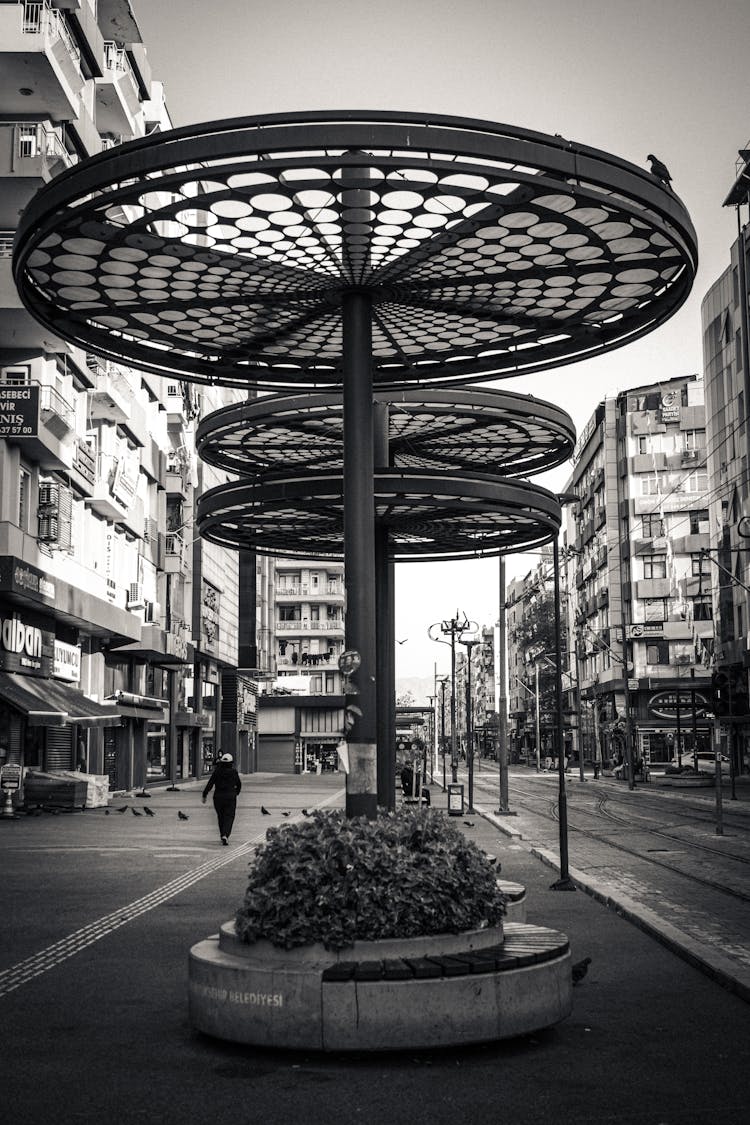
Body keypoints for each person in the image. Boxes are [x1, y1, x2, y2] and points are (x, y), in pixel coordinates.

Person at [202, 753, 242, 844]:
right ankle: (225, 834)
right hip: (230, 797)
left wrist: (205, 794)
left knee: (221, 816)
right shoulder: (233, 772)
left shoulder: (217, 771)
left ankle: (222, 834)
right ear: (231, 763)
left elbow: (210, 783)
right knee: (229, 816)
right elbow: (239, 784)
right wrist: (236, 793)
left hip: (218, 797)